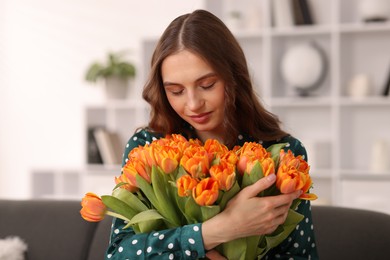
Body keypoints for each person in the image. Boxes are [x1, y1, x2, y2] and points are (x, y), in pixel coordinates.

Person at [106, 9, 318, 260]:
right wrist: (216, 231)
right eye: (176, 91)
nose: (193, 104)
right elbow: (119, 254)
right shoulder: (148, 148)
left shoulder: (283, 153)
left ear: (234, 78)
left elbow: (300, 256)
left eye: (207, 85)